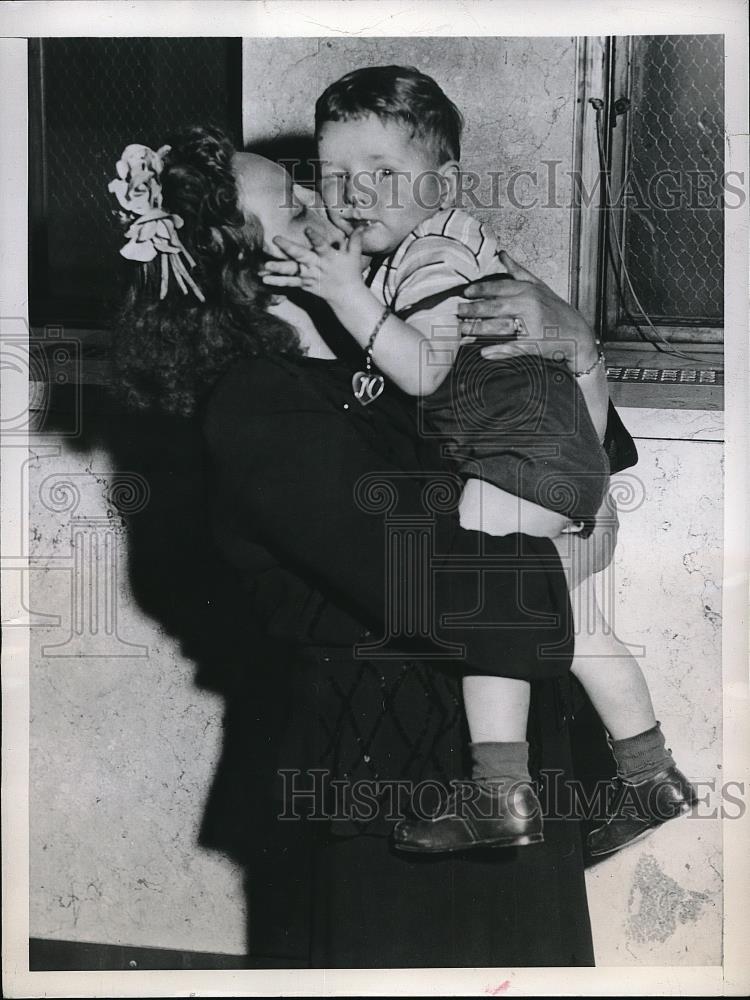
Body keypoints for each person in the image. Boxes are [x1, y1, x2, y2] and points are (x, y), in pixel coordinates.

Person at [108, 125, 626, 967]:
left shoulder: (387, 338)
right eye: (297, 199)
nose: (333, 203)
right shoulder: (255, 408)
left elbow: (585, 504)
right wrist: (557, 536)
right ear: (246, 259)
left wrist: (581, 351)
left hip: (513, 765)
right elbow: (447, 582)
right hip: (394, 789)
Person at [261, 65, 697, 857]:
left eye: (385, 173)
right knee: (572, 624)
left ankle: (499, 792)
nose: (356, 194)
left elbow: (423, 371)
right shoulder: (428, 248)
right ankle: (650, 772)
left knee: (484, 609)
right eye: (335, 176)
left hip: (517, 456)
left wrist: (342, 291)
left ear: (444, 181)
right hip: (553, 458)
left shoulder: (434, 256)